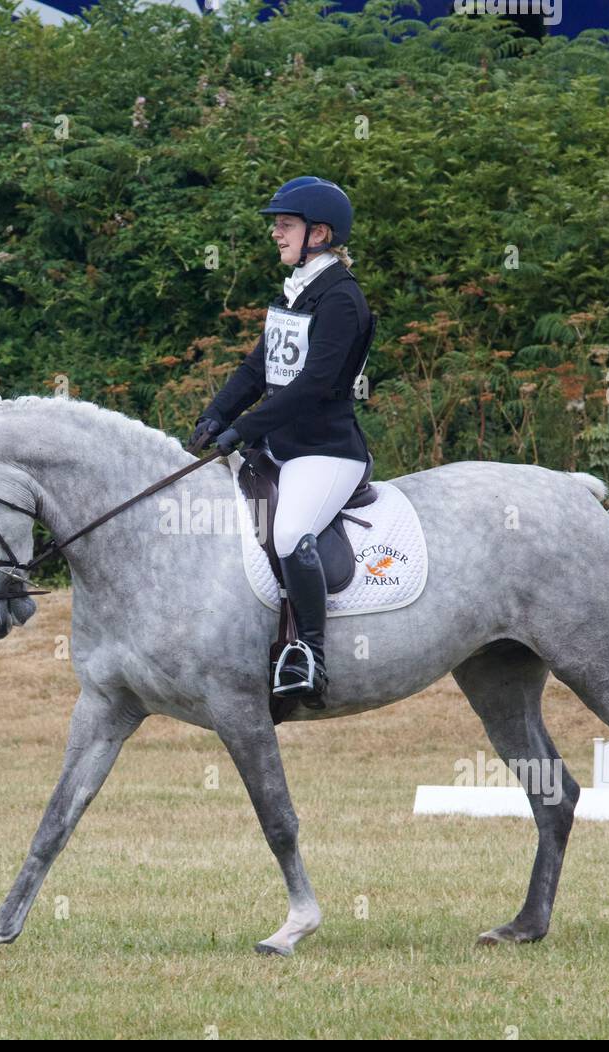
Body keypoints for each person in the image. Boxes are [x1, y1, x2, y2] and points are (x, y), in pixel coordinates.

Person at [188, 176, 376, 706]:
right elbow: (259, 367)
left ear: (319, 233)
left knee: (291, 532)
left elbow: (314, 385)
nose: (276, 233)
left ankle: (310, 654)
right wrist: (217, 412)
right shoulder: (295, 290)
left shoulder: (341, 299)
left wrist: (244, 429)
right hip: (279, 447)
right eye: (276, 225)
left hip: (326, 451)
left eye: (285, 225)